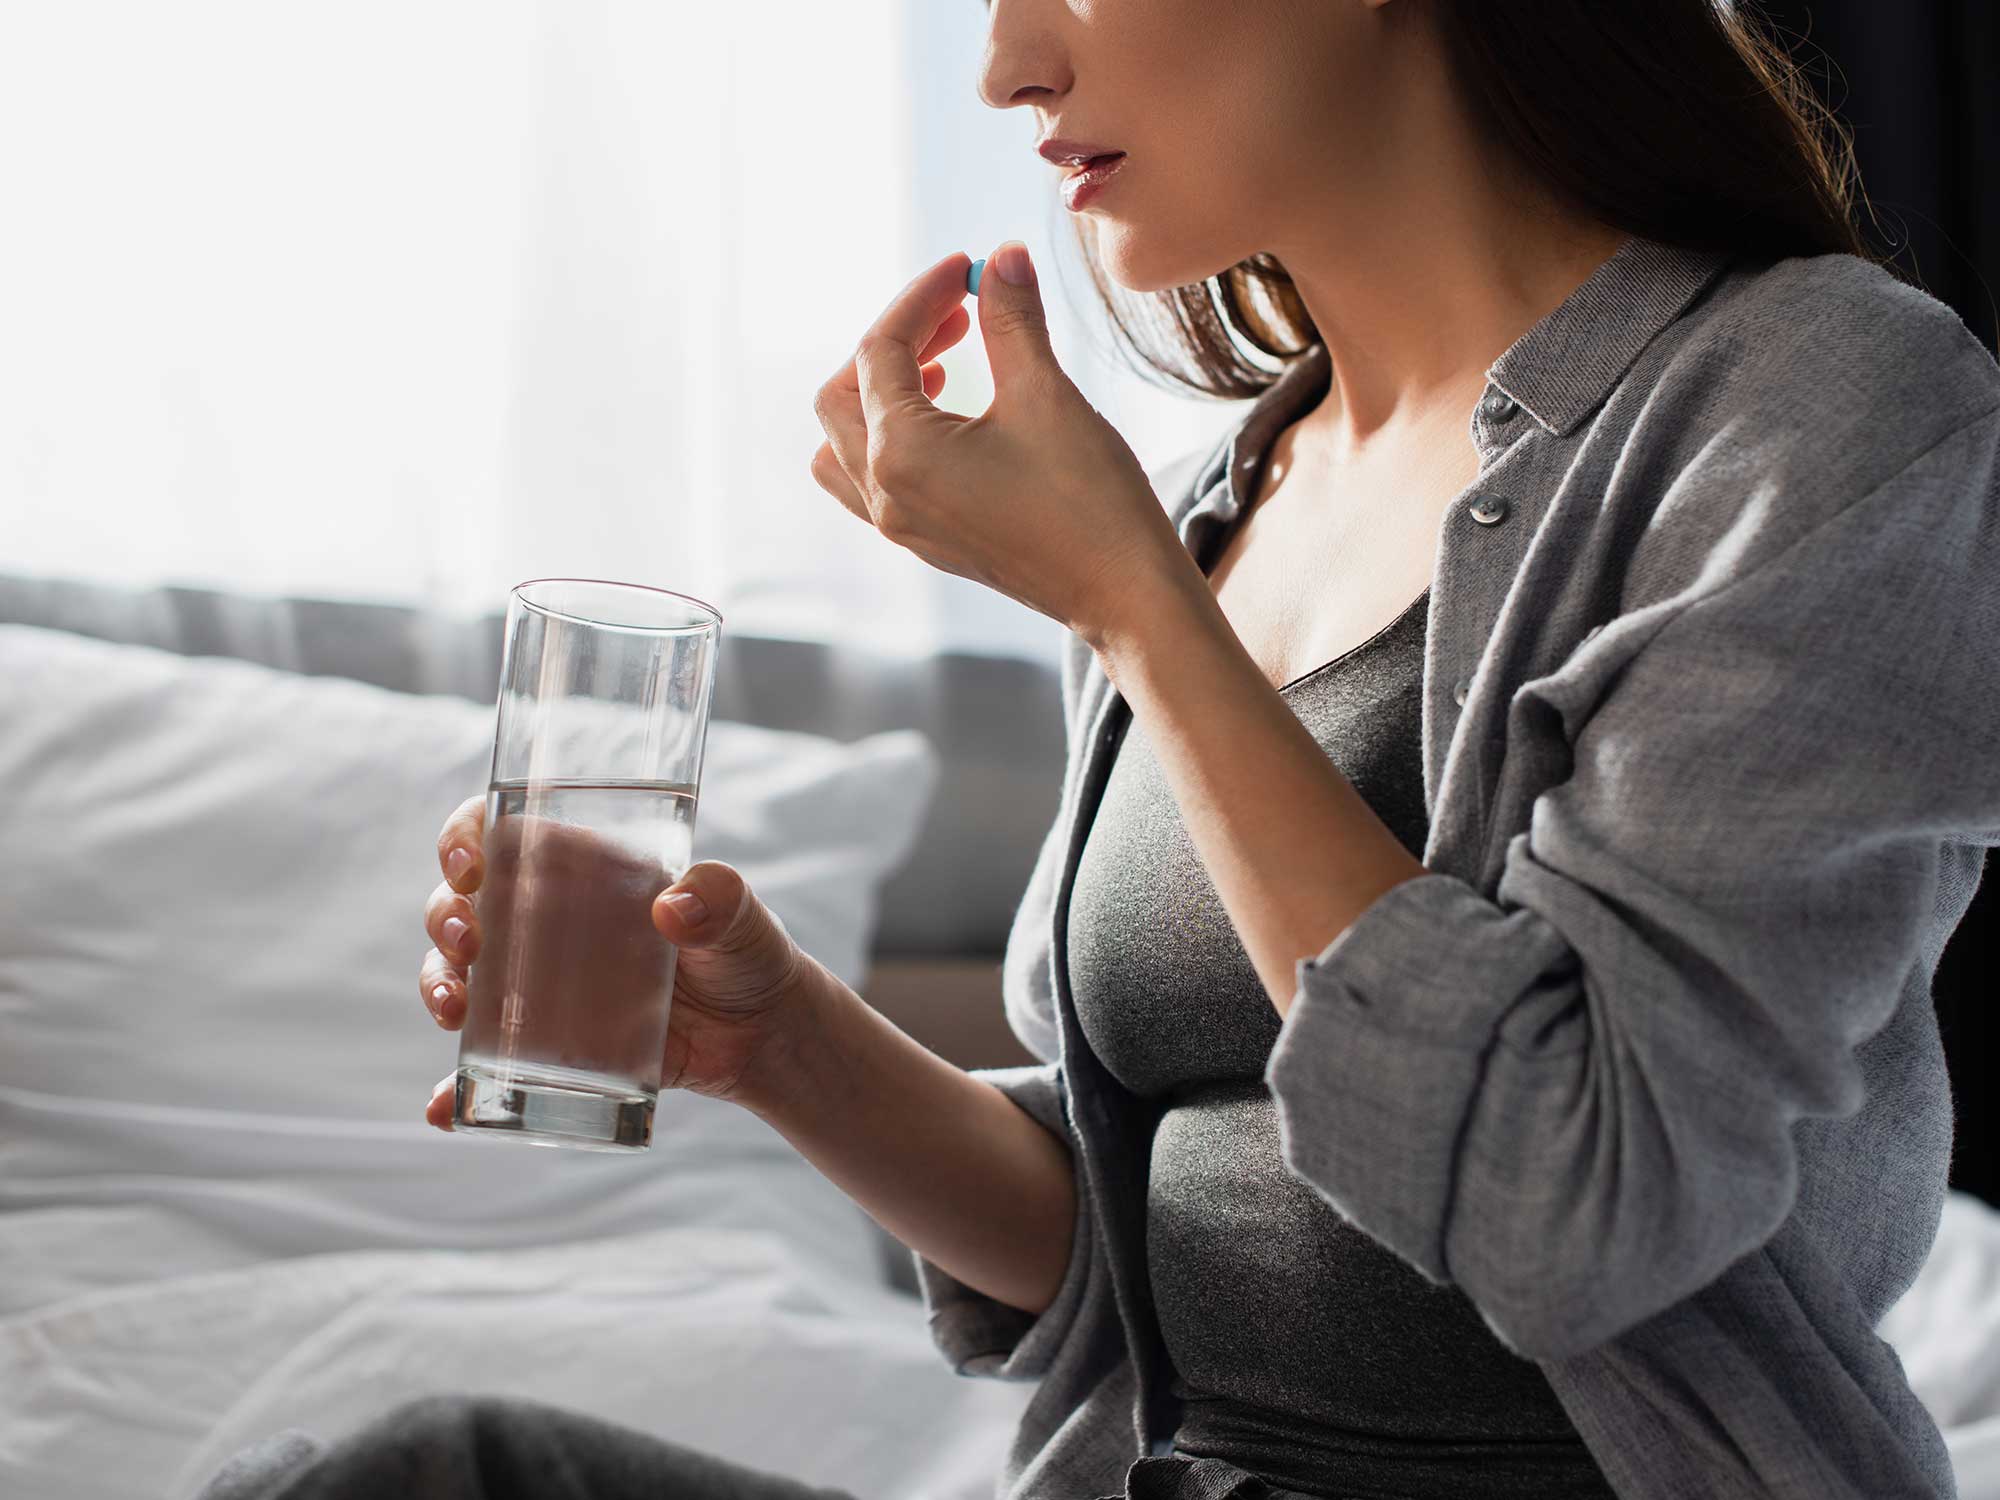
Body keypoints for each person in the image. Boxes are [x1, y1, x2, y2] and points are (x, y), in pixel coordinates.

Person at [198, 1, 2000, 1498]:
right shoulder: (1230, 499)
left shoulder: (1817, 403)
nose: (1006, 66)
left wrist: (1137, 604)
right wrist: (777, 1045)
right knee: (433, 1470)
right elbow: (1150, 1265)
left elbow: (1584, 1200)